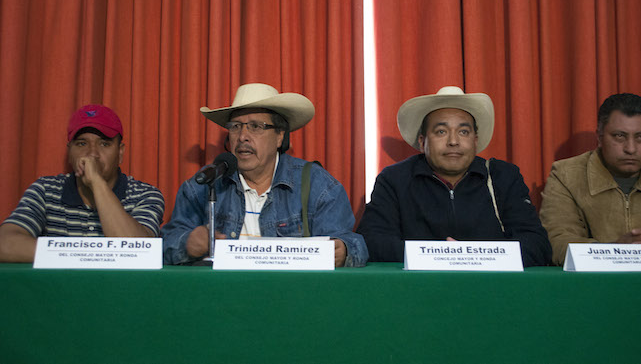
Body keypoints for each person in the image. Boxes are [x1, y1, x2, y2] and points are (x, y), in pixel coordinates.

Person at [162, 83, 368, 267]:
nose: (242, 137)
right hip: (221, 298)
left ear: (280, 136)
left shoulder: (317, 185)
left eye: (255, 127)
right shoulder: (205, 183)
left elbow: (355, 244)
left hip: (291, 299)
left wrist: (344, 251)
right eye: (235, 127)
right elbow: (164, 245)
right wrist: (187, 244)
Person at [357, 86, 552, 266]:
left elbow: (537, 245)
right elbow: (373, 241)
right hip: (418, 288)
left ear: (475, 141)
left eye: (463, 132)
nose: (453, 141)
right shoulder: (394, 179)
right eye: (441, 131)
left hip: (493, 288)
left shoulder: (503, 176)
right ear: (422, 140)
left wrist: (471, 256)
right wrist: (439, 255)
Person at [540, 93, 641, 265]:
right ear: (599, 138)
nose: (630, 148)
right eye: (619, 136)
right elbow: (557, 241)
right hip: (593, 285)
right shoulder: (566, 175)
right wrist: (615, 251)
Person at [0, 105, 164, 263]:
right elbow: (4, 244)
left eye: (104, 144)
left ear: (120, 152)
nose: (92, 153)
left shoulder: (145, 194)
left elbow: (139, 252)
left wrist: (96, 183)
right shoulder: (45, 190)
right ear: (69, 152)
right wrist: (83, 255)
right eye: (82, 143)